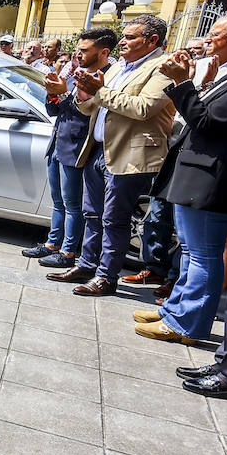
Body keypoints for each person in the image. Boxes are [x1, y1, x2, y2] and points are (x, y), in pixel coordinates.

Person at [137, 19, 227, 345]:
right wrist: (198, 85)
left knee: (204, 254)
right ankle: (175, 312)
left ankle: (188, 325)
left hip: (213, 178)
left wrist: (183, 84)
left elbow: (207, 122)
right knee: (192, 252)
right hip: (197, 171)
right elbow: (206, 111)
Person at [48, 16, 174, 297]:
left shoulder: (163, 68)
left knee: (114, 220)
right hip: (99, 150)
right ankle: (86, 264)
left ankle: (106, 277)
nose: (123, 42)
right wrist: (78, 95)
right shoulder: (120, 68)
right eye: (124, 36)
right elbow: (94, 105)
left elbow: (143, 108)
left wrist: (99, 92)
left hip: (130, 154)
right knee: (92, 214)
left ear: (152, 41)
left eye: (130, 37)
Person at [23, 28, 110, 268]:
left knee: (73, 204)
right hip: (58, 142)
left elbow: (87, 112)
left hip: (78, 147)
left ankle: (69, 251)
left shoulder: (105, 80)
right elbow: (56, 110)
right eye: (78, 50)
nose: (78, 54)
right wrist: (53, 92)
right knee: (57, 200)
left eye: (84, 50)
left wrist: (67, 95)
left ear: (102, 52)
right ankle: (52, 243)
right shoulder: (74, 74)